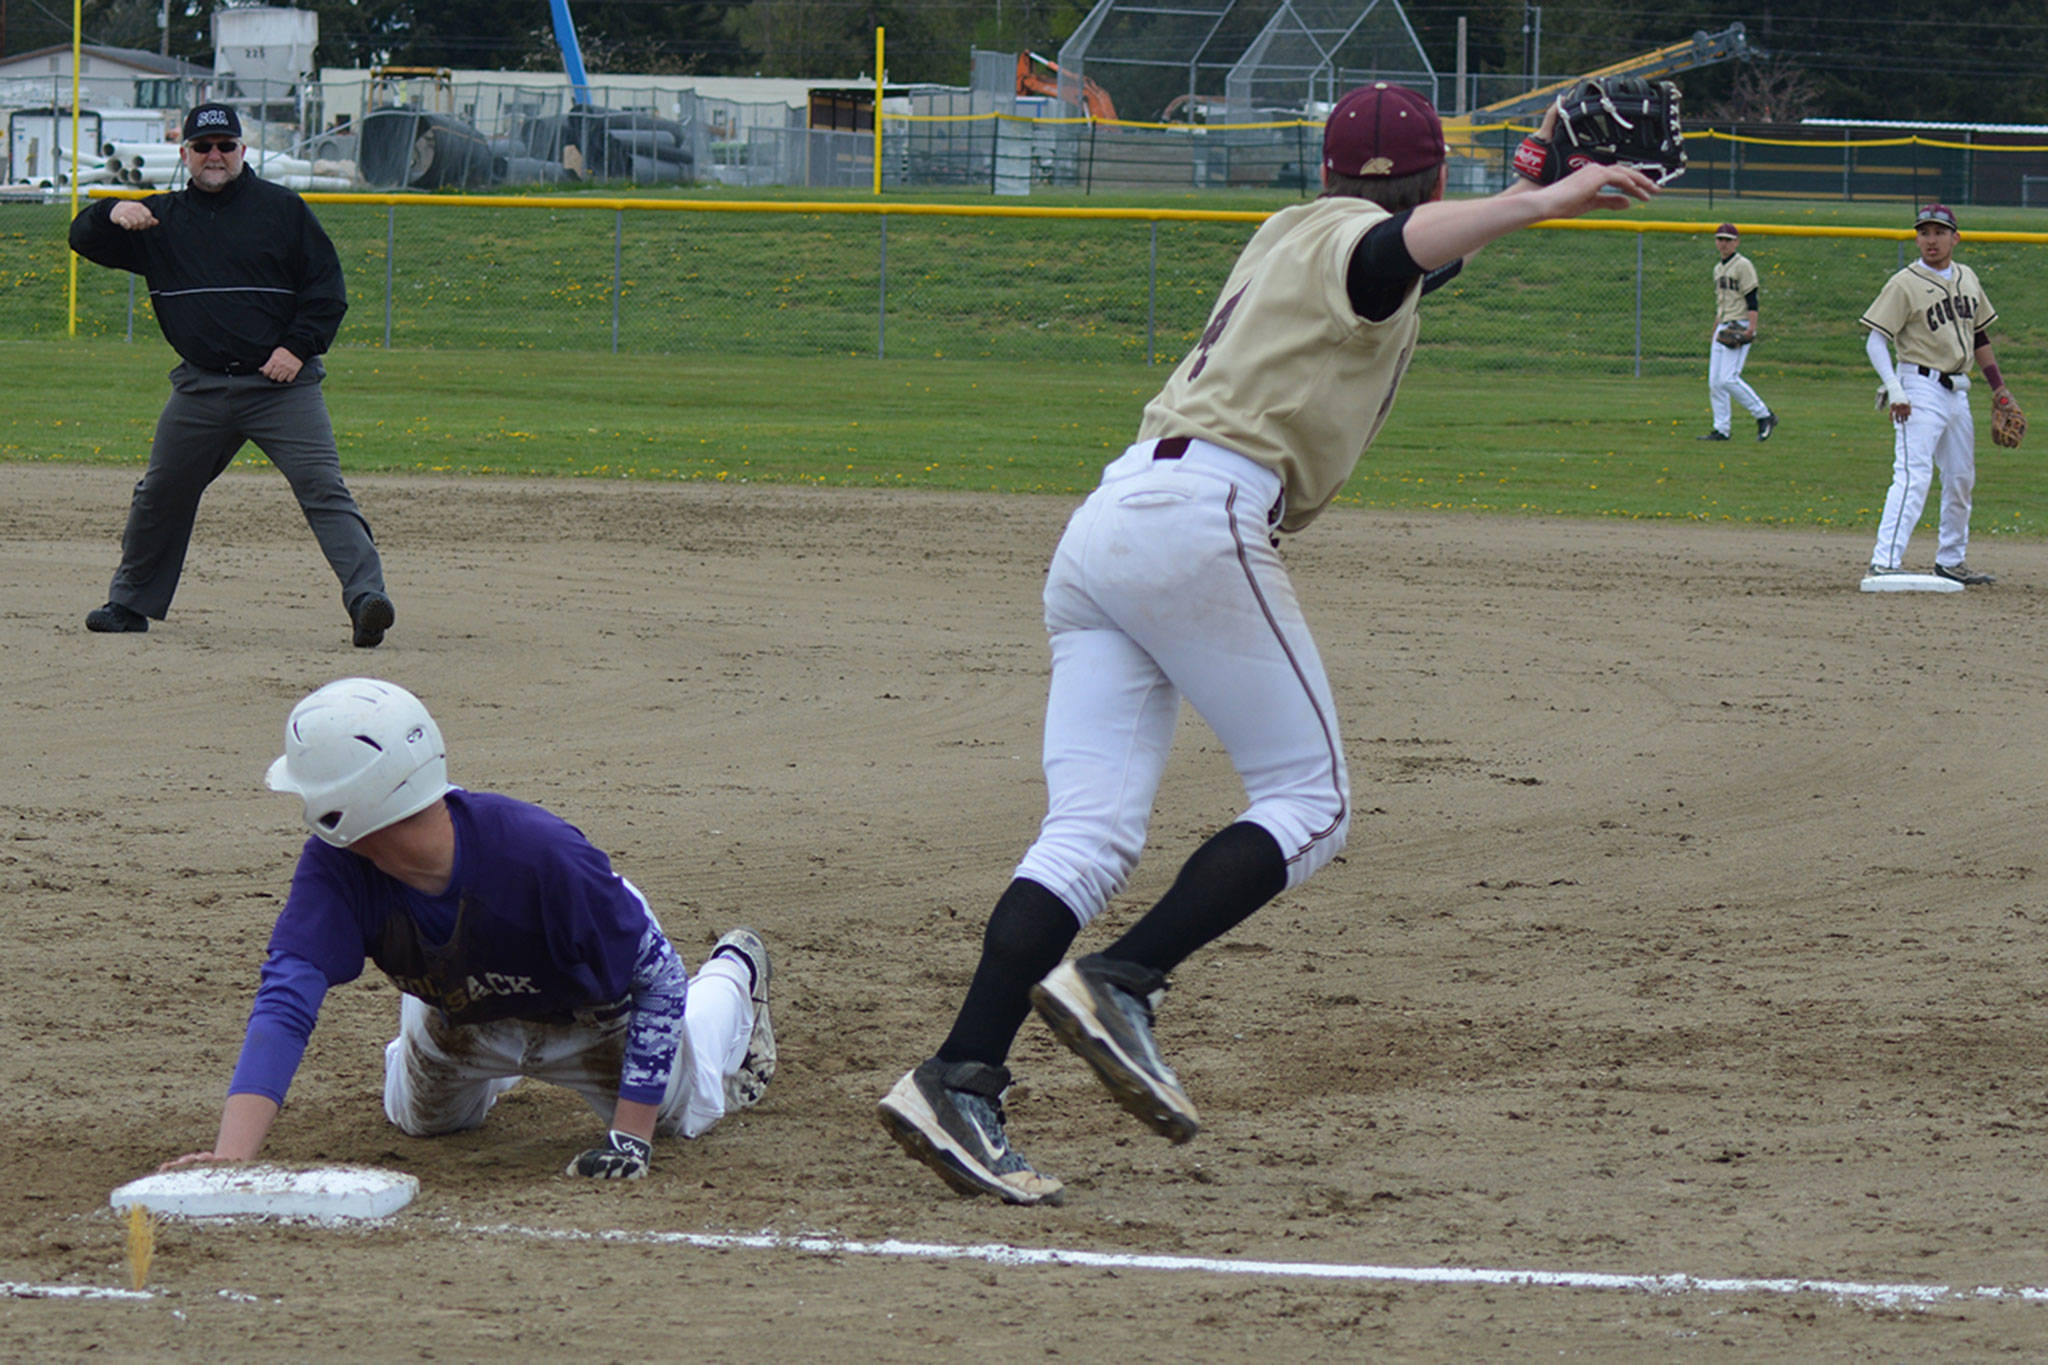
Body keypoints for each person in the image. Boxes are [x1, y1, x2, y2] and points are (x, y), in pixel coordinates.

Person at [876, 83, 1661, 1206]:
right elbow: (1404, 242)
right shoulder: (1365, 242)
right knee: (1311, 800)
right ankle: (1123, 981)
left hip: (1106, 526)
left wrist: (1538, 182)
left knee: (1088, 831)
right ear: (1427, 179)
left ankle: (958, 1077)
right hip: (1201, 524)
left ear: (1332, 167)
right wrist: (1554, 200)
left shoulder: (1296, 229)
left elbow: (1414, 252)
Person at [159, 677, 777, 1181]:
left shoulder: (543, 857)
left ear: (345, 808)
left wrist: (631, 1136)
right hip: (457, 1005)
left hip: (588, 1011)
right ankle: (479, 1055)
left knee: (678, 1114)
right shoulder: (337, 868)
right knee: (421, 1122)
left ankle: (732, 976)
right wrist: (232, 1160)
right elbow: (286, 999)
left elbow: (660, 980)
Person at [68, 102, 395, 647]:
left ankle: (366, 601)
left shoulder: (283, 210)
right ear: (185, 155)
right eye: (203, 147)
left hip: (281, 386)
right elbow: (84, 238)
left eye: (225, 146)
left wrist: (296, 347)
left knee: (321, 487)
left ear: (243, 151)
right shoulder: (161, 218)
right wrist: (110, 211)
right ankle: (129, 604)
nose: (214, 156)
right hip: (200, 387)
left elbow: (326, 293)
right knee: (162, 492)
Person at [1864, 204, 2018, 585]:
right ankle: (1884, 560)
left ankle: (1951, 560)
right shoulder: (1904, 282)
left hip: (1957, 391)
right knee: (1913, 475)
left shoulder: (1967, 277)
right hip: (1917, 388)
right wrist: (1896, 388)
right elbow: (1875, 340)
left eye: (1938, 232)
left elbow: (1978, 335)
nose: (1930, 240)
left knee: (1961, 477)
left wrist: (1998, 387)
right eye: (1924, 233)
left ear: (1955, 238)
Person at [1700, 223, 1776, 443]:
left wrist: (1752, 328)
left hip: (1740, 325)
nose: (1723, 243)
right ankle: (1721, 429)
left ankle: (1764, 415)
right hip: (1723, 325)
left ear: (1736, 242)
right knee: (1715, 381)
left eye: (1727, 239)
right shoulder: (1718, 268)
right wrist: (1716, 326)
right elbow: (1722, 301)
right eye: (1720, 239)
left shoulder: (1743, 265)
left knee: (1728, 378)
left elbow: (1752, 299)